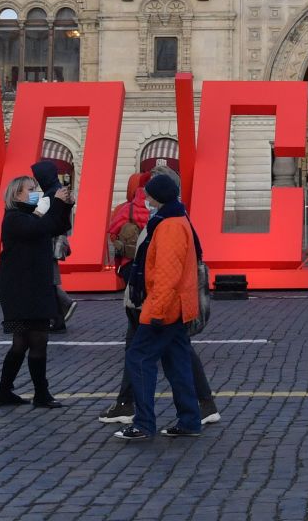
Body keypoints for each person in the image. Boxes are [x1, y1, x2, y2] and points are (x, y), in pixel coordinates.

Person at [116, 171, 204, 442]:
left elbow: (167, 274)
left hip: (165, 307)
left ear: (157, 196)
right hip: (176, 305)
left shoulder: (167, 226)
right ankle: (189, 419)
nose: (146, 199)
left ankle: (143, 423)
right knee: (176, 361)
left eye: (149, 194)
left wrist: (154, 311)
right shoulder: (175, 219)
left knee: (139, 358)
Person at [0, 174, 73, 407]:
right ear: (17, 194)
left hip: (34, 286)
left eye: (36, 187)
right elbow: (41, 228)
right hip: (20, 289)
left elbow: (58, 225)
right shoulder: (15, 218)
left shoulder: (30, 214)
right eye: (31, 189)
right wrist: (56, 202)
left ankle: (6, 392)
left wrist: (66, 205)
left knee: (25, 341)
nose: (36, 191)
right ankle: (39, 393)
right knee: (35, 339)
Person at [99, 172, 153, 426]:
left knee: (136, 343)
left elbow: (112, 234)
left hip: (134, 274)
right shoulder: (167, 213)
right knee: (176, 346)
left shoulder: (125, 209)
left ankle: (126, 404)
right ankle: (203, 402)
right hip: (157, 279)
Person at [32, 160, 75, 329]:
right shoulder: (59, 190)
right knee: (49, 278)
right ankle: (57, 318)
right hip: (56, 238)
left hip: (48, 239)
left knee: (47, 279)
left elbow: (47, 218)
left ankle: (63, 308)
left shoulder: (52, 193)